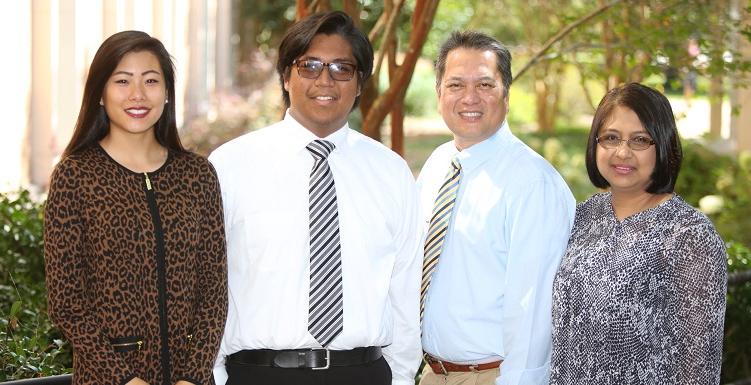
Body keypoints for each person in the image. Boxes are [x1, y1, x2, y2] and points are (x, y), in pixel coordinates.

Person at [208, 11, 421, 385]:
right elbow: (205, 285)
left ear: (359, 84)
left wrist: (401, 378)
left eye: (342, 67)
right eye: (310, 66)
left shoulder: (391, 172)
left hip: (363, 374)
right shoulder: (229, 166)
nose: (326, 79)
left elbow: (404, 290)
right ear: (286, 77)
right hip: (259, 374)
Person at [44, 31, 228, 385]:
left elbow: (214, 291)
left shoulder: (197, 175)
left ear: (167, 92)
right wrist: (125, 379)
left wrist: (192, 376)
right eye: (122, 81)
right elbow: (67, 302)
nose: (137, 95)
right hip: (107, 378)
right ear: (100, 92)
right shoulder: (75, 176)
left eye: (151, 81)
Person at [417, 31, 576, 385]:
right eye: (456, 84)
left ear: (506, 93)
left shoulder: (533, 183)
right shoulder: (438, 164)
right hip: (433, 374)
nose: (469, 97)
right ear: (439, 93)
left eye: (485, 85)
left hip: (493, 376)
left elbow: (535, 314)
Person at [550, 83, 727, 385]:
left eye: (640, 140)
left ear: (664, 145)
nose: (622, 152)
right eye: (611, 138)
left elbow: (699, 365)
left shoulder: (688, 235)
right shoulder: (583, 216)